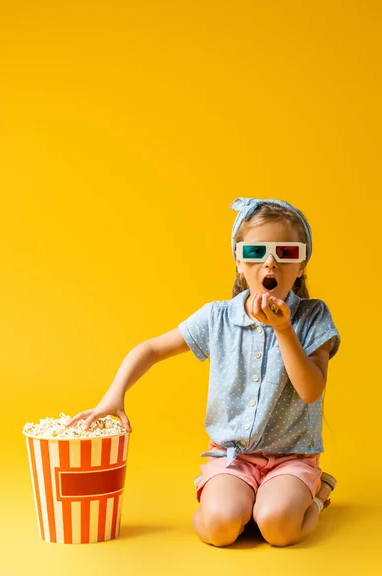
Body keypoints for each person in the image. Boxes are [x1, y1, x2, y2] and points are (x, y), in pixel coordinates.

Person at [66, 196, 341, 548]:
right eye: (256, 253)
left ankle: (317, 492)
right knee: (219, 528)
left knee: (278, 528)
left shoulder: (313, 316)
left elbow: (310, 390)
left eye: (285, 253)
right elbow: (150, 349)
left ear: (301, 264)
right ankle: (242, 503)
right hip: (233, 457)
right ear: (239, 262)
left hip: (291, 457)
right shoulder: (218, 318)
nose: (270, 263)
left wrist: (284, 331)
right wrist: (114, 394)